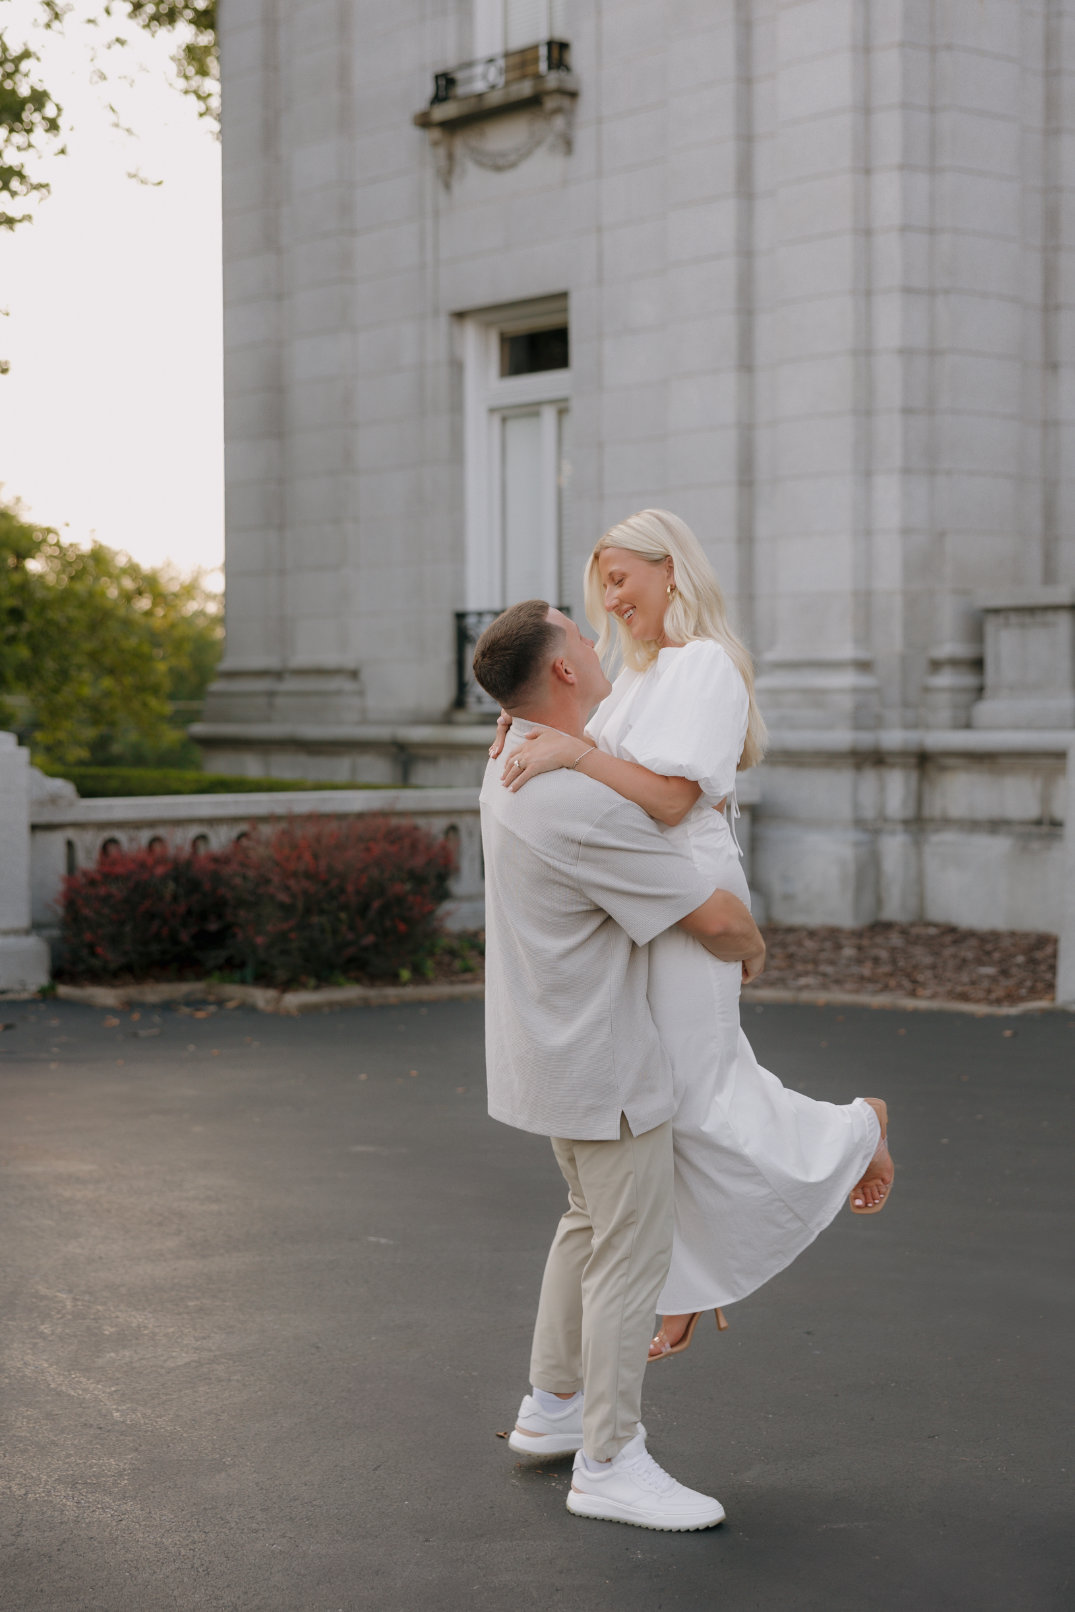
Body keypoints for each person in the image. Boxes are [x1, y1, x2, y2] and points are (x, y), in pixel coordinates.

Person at [493, 509, 894, 1361]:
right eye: (599, 582)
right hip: (643, 893)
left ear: (668, 569)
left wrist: (571, 758)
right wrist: (527, 731)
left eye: (619, 577)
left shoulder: (706, 667)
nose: (608, 595)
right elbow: (582, 743)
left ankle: (859, 1127)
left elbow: (671, 799)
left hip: (691, 880)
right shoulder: (634, 677)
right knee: (667, 1101)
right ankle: (686, 1281)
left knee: (700, 1095)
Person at [472, 598, 767, 1532]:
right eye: (583, 635)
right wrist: (753, 945)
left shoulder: (513, 756)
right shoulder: (571, 797)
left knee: (587, 1225)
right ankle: (609, 1460)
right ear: (561, 670)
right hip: (602, 1059)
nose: (602, 645)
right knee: (629, 1258)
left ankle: (550, 1410)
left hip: (552, 1048)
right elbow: (712, 921)